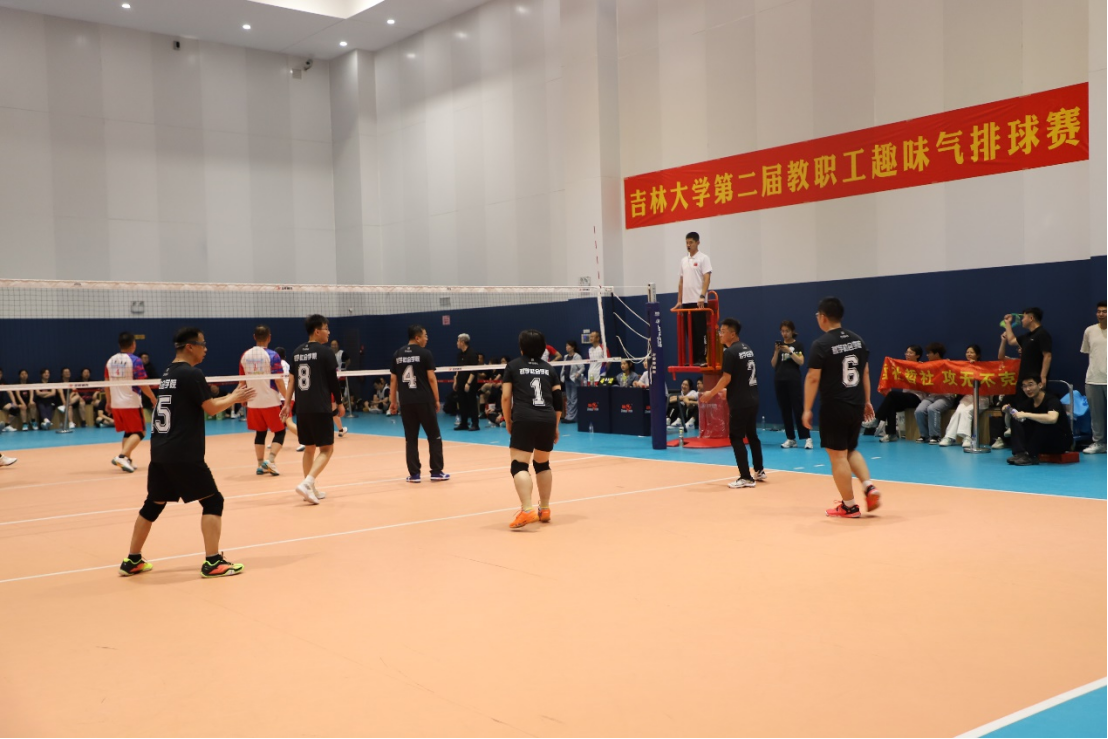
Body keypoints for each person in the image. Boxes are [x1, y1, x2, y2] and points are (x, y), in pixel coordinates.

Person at [118, 326, 254, 579]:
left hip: (160, 451)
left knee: (153, 503)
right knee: (213, 501)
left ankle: (132, 559)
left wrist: (225, 396)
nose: (206, 349)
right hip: (183, 453)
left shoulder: (168, 373)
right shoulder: (192, 374)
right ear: (190, 347)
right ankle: (213, 562)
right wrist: (235, 397)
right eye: (203, 344)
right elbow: (211, 408)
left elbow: (197, 403)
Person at [803, 297, 881, 518]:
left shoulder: (821, 344)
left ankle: (849, 506)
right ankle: (868, 486)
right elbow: (865, 372)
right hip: (856, 404)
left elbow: (812, 378)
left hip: (835, 406)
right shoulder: (858, 340)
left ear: (823, 317)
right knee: (850, 450)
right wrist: (867, 400)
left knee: (837, 456)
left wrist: (807, 408)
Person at [502, 329, 563, 529]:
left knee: (519, 465)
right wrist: (555, 426)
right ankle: (544, 509)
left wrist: (508, 420)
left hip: (524, 418)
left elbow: (506, 397)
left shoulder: (513, 366)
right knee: (542, 464)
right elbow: (558, 401)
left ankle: (527, 509)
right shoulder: (549, 369)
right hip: (547, 419)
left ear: (521, 347)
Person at [699, 318, 765, 488]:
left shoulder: (729, 352)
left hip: (740, 403)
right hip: (753, 399)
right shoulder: (747, 349)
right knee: (752, 435)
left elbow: (726, 378)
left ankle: (746, 477)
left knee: (736, 437)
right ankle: (759, 470)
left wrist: (711, 393)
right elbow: (743, 377)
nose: (720, 334)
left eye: (723, 331)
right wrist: (729, 391)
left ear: (732, 334)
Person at [281, 314, 340, 505]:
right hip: (320, 407)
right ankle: (307, 483)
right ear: (317, 331)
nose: (328, 332)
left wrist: (287, 404)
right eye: (326, 328)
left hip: (303, 408)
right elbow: (333, 381)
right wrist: (339, 403)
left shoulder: (297, 352)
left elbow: (291, 380)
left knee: (309, 448)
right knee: (327, 449)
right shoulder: (326, 353)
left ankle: (311, 489)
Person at [390, 324, 449, 483]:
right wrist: (437, 399)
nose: (427, 338)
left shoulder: (397, 354)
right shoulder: (425, 354)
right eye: (425, 335)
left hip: (406, 402)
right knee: (434, 436)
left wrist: (393, 401)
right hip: (424, 400)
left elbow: (393, 380)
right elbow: (431, 378)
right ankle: (436, 472)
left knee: (411, 438)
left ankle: (414, 474)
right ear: (417, 337)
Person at [239, 325, 289, 476]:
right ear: (269, 337)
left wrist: (242, 397)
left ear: (254, 337)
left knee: (260, 433)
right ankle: (270, 460)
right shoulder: (273, 355)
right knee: (280, 432)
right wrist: (287, 399)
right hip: (270, 401)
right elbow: (279, 381)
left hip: (253, 402)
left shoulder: (245, 355)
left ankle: (260, 464)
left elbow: (242, 381)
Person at [106, 332, 158, 473]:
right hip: (131, 402)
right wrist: (153, 398)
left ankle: (127, 459)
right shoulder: (135, 361)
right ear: (133, 344)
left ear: (119, 345)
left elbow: (106, 383)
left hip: (116, 403)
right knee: (140, 432)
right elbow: (142, 383)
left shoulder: (110, 361)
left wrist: (108, 402)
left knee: (129, 432)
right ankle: (122, 456)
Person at [1002, 376, 1072, 465]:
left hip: (1059, 442)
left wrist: (1026, 414)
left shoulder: (1052, 400)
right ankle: (1020, 454)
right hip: (1041, 443)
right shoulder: (1027, 404)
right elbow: (1010, 426)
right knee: (1017, 418)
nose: (1027, 389)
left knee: (1043, 422)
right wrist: (1008, 413)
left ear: (1040, 385)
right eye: (1024, 386)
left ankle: (1031, 456)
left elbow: (1052, 419)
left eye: (1030, 385)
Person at [673, 231, 713, 365]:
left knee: (700, 331)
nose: (688, 245)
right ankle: (693, 359)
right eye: (687, 243)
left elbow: (707, 278)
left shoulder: (703, 258)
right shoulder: (683, 260)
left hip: (698, 301)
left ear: (698, 243)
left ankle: (702, 358)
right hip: (686, 302)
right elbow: (681, 281)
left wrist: (702, 296)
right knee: (689, 332)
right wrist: (679, 300)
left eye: (691, 242)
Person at [770, 320, 811, 449]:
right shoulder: (779, 347)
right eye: (782, 331)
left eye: (787, 331)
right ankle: (790, 438)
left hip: (793, 380)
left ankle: (807, 438)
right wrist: (776, 351)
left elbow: (801, 361)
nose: (785, 334)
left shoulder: (798, 345)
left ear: (792, 331)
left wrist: (789, 351)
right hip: (779, 380)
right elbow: (773, 364)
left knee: (798, 409)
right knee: (785, 410)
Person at [939, 344, 989, 448]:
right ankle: (949, 437)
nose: (969, 354)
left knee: (966, 411)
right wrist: (948, 364)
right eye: (967, 352)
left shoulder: (984, 367)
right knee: (958, 411)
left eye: (972, 352)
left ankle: (967, 437)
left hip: (981, 398)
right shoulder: (963, 366)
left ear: (978, 355)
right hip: (967, 397)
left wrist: (975, 366)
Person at [872, 345, 925, 442]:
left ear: (917, 355)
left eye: (910, 353)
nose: (907, 354)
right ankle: (891, 434)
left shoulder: (922, 367)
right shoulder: (903, 366)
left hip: (917, 397)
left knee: (892, 395)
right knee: (891, 404)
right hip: (906, 397)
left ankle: (877, 419)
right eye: (907, 352)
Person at [914, 342, 957, 444]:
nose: (927, 355)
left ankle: (935, 436)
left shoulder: (948, 364)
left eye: (929, 353)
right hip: (932, 396)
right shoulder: (927, 366)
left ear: (937, 354)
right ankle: (924, 435)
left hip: (946, 397)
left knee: (932, 409)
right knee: (919, 411)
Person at [1080, 301, 1107, 454]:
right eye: (1099, 311)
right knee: (1096, 415)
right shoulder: (1089, 331)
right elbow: (1088, 352)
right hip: (1093, 379)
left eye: (1104, 311)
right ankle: (1099, 443)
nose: (1101, 314)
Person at [454, 333, 480, 431]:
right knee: (462, 403)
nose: (457, 343)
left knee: (472, 403)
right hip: (460, 382)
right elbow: (458, 368)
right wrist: (455, 381)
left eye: (458, 341)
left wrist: (468, 383)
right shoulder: (459, 354)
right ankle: (464, 423)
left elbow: (474, 370)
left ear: (462, 342)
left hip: (470, 384)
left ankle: (475, 424)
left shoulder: (472, 354)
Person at [560, 340, 584, 422]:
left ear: (573, 347)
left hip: (574, 381)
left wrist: (577, 374)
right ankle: (568, 416)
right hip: (567, 380)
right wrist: (562, 377)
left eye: (568, 346)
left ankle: (572, 418)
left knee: (574, 399)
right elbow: (563, 368)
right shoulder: (565, 357)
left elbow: (582, 367)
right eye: (566, 345)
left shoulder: (577, 356)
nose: (566, 347)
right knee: (569, 399)